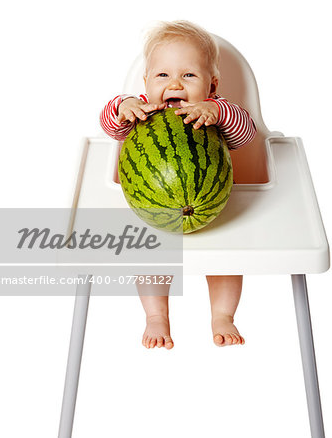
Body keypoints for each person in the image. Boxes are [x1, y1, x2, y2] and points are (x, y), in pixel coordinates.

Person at [100, 20, 256, 350]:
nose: (175, 84)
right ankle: (156, 316)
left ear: (212, 84)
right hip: (152, 210)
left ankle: (223, 315)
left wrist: (217, 111)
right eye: (163, 76)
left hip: (214, 211)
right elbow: (110, 127)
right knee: (148, 258)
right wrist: (123, 107)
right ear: (146, 82)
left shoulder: (216, 111)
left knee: (227, 259)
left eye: (189, 76)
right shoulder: (141, 110)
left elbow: (246, 134)